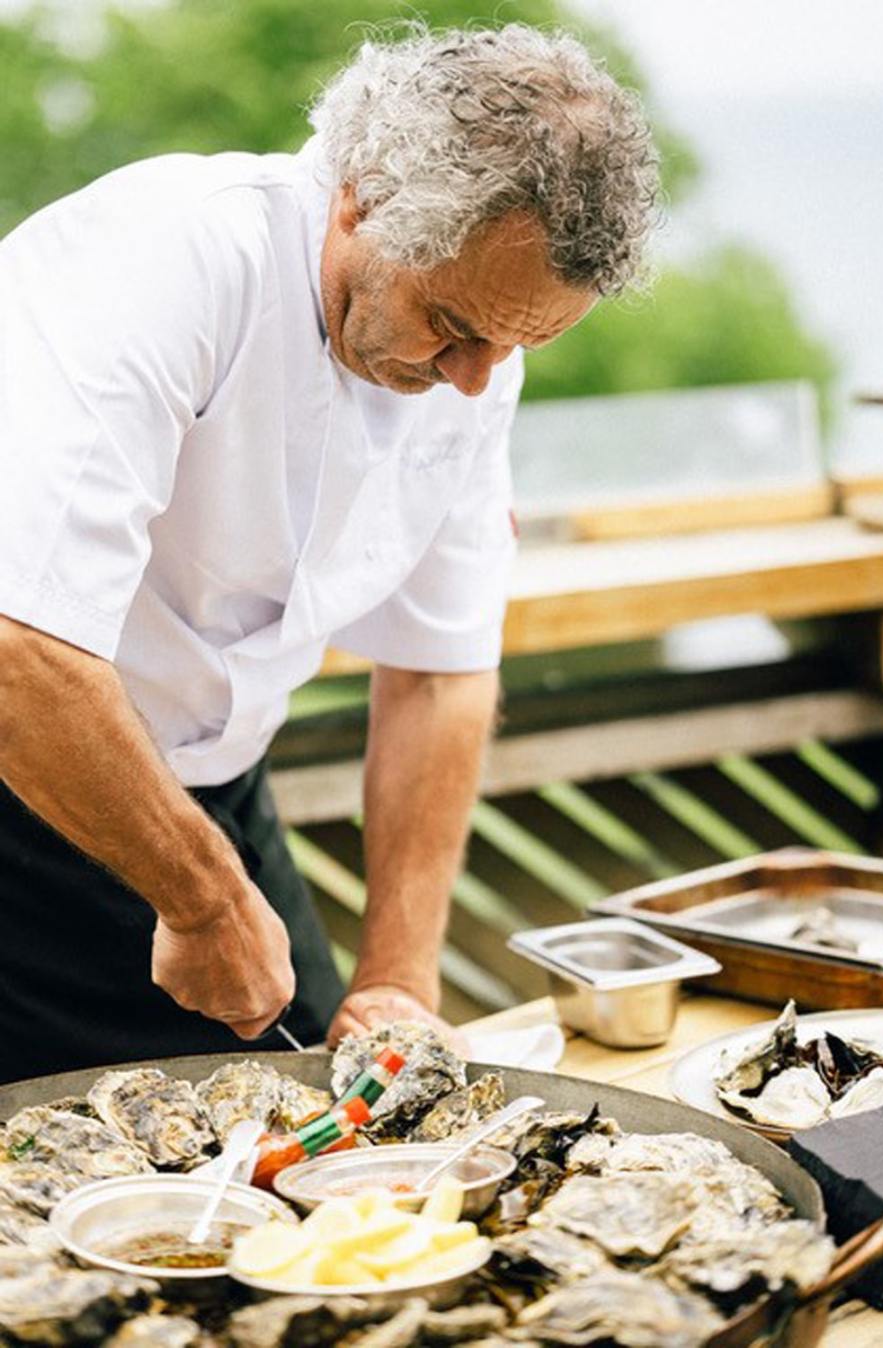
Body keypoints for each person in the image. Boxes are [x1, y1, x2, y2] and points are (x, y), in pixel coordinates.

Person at [0, 24, 657, 1084]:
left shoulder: (480, 349)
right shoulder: (166, 259)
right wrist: (204, 900)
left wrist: (399, 976)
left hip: (208, 789)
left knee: (330, 1124)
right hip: (29, 770)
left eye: (517, 344)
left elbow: (440, 671)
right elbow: (17, 647)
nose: (478, 380)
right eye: (451, 327)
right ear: (361, 195)